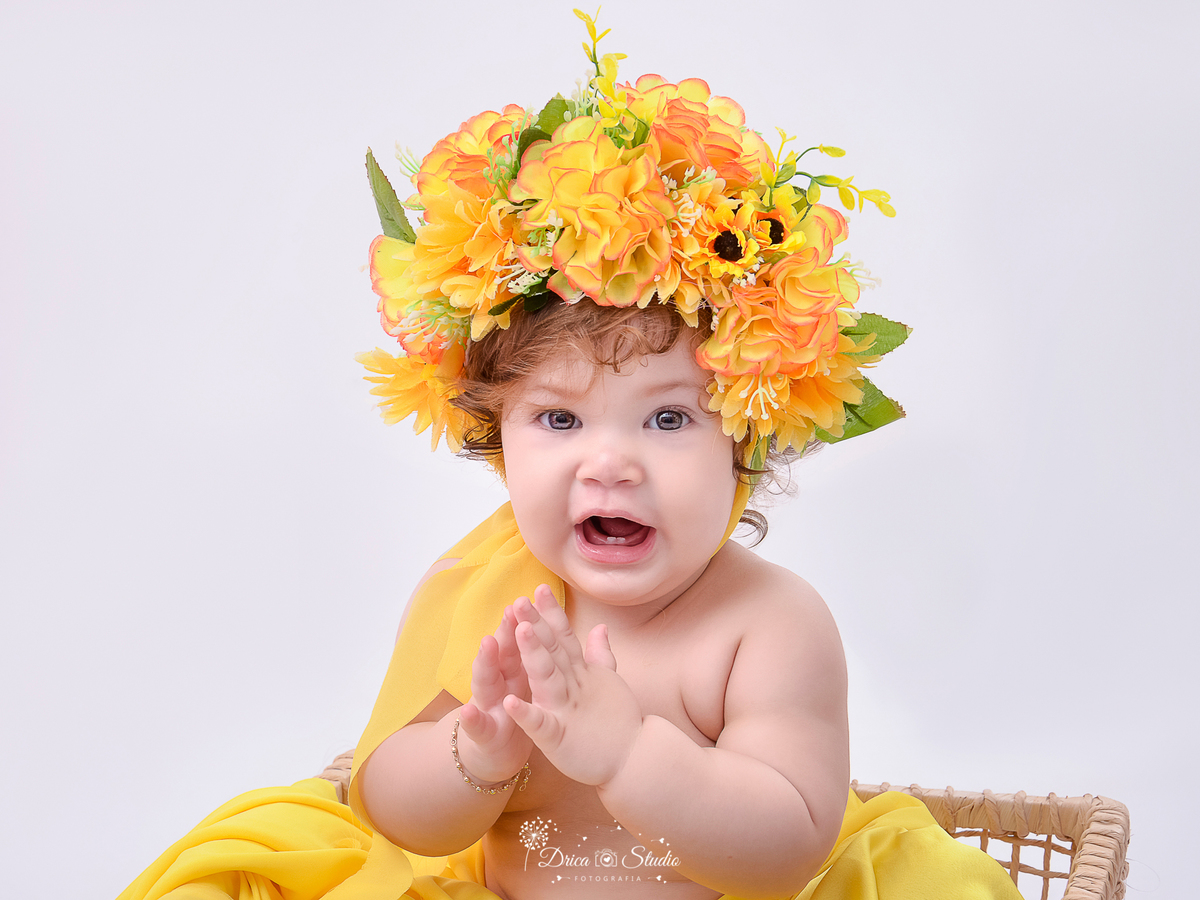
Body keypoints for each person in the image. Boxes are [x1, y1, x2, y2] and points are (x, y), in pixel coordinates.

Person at [118, 11, 1022, 900]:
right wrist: (478, 754)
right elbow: (388, 806)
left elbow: (787, 844)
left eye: (667, 422)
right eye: (558, 422)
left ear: (746, 436)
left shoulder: (768, 626)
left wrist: (630, 752)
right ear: (496, 439)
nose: (611, 463)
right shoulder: (490, 595)